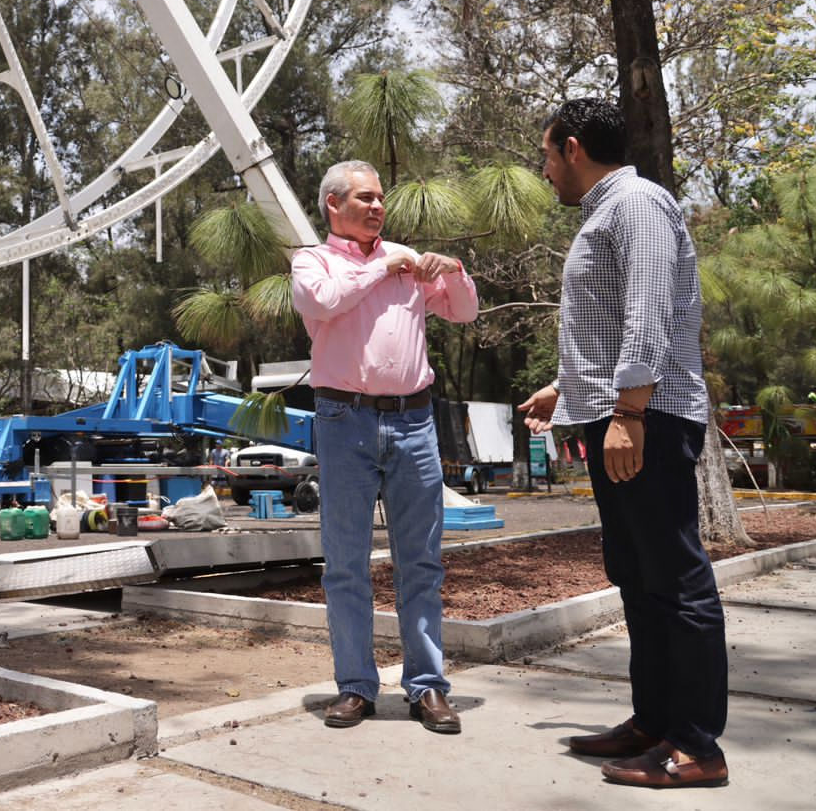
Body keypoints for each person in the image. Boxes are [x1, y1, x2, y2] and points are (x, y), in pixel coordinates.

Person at [517, 97, 728, 789]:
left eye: (546, 155)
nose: (545, 169)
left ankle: (696, 746)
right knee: (640, 579)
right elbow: (608, 322)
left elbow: (648, 307)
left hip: (650, 418)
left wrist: (630, 410)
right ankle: (654, 723)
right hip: (624, 411)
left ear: (572, 147)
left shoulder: (634, 202)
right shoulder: (609, 210)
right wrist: (565, 387)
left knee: (675, 579)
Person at [291, 159, 478, 734]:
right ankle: (355, 687)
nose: (378, 207)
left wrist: (453, 272)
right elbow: (323, 303)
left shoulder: (405, 259)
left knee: (420, 560)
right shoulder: (311, 261)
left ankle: (427, 687)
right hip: (344, 420)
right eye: (366, 198)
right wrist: (385, 268)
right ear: (333, 204)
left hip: (414, 421)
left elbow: (464, 312)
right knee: (345, 561)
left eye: (380, 200)